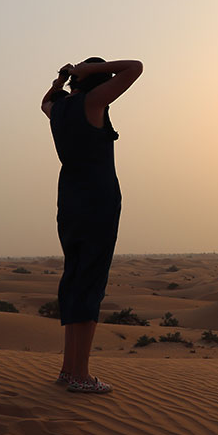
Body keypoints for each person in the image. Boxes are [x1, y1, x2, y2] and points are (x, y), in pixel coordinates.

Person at [41, 58, 143, 393]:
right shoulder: (92, 102)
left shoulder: (59, 109)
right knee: (89, 284)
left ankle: (69, 370)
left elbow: (44, 101)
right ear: (97, 83)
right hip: (97, 203)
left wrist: (61, 82)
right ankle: (80, 375)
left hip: (69, 202)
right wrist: (84, 71)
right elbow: (136, 67)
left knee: (75, 280)